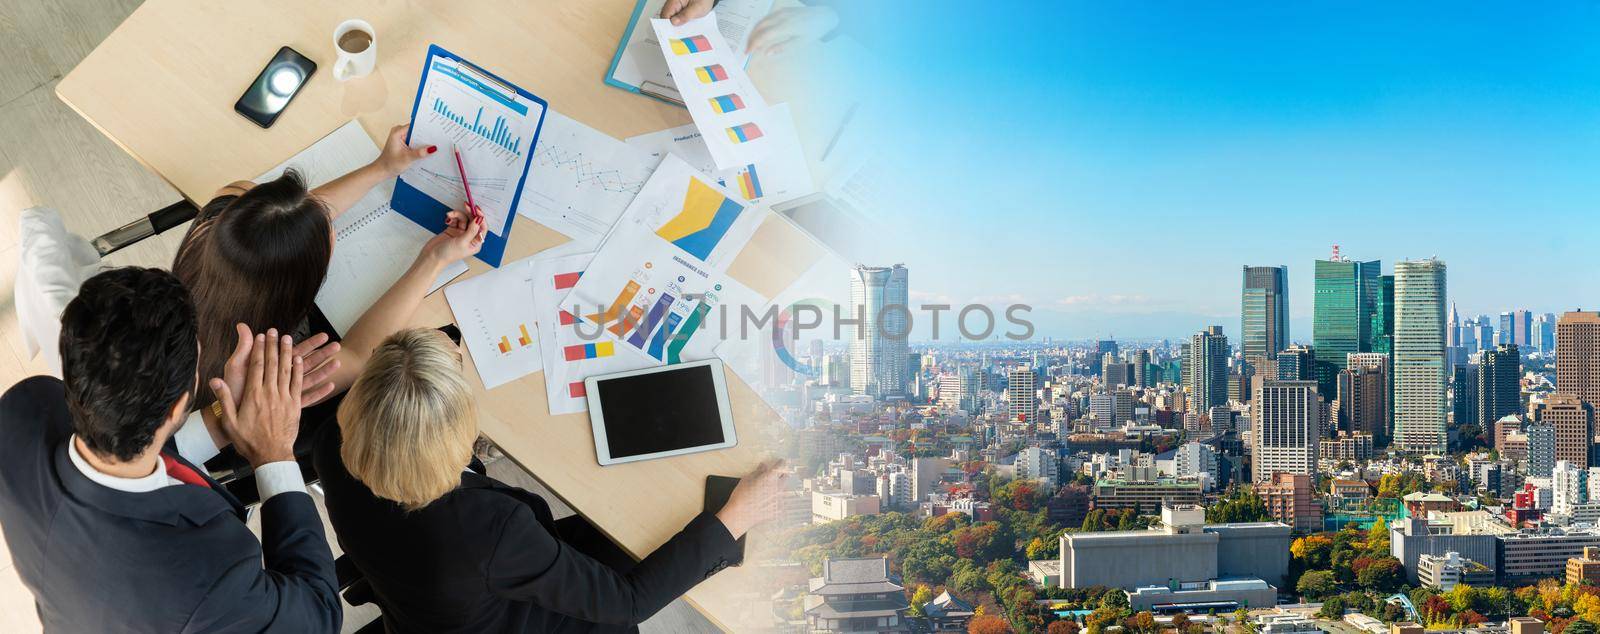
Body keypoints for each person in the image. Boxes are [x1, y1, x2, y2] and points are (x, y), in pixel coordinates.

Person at [313, 328, 786, 633]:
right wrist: (735, 517)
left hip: (423, 599)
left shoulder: (330, 443)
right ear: (451, 441)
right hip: (506, 609)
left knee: (627, 526)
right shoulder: (488, 530)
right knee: (645, 541)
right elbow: (627, 603)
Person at [0, 267, 341, 631]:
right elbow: (317, 614)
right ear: (179, 405)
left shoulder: (23, 413)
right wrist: (274, 453)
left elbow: (120, 438)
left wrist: (226, 416)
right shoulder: (208, 577)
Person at [172, 124, 482, 410]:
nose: (327, 220)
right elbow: (358, 356)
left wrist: (383, 167)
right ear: (304, 286)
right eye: (326, 239)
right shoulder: (275, 371)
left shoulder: (226, 207)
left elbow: (287, 214)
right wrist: (434, 258)